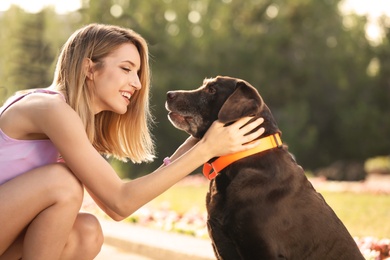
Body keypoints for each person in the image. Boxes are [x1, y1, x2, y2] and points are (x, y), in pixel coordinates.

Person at [0, 23, 265, 259]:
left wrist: (200, 142)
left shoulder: (72, 120)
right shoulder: (51, 109)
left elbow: (116, 207)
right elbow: (120, 202)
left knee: (87, 232)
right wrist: (206, 149)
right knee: (62, 183)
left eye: (137, 73)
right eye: (126, 69)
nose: (137, 84)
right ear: (88, 68)